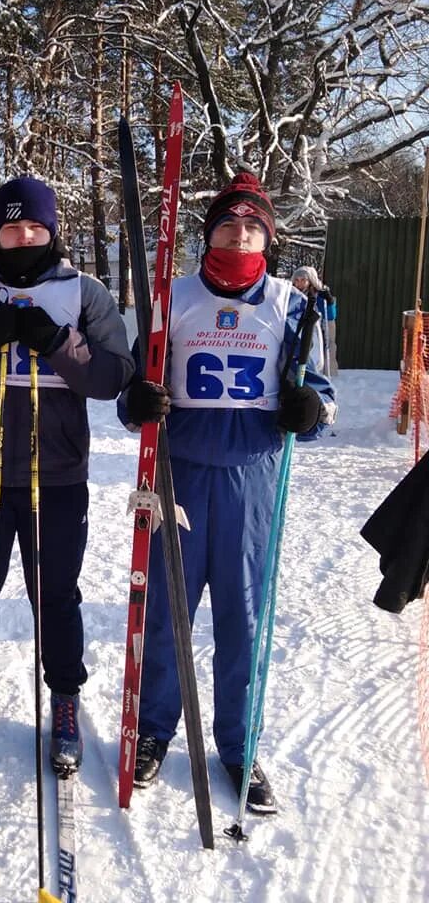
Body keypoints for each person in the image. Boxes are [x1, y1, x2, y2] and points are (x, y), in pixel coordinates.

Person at [119, 173, 336, 812]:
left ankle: (240, 745)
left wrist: (310, 410)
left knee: (243, 617)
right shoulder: (172, 298)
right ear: (208, 232)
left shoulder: (288, 306)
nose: (239, 236)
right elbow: (139, 390)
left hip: (250, 474)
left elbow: (320, 393)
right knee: (167, 611)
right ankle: (155, 731)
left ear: (266, 236)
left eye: (252, 227)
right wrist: (138, 403)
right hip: (178, 471)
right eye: (228, 225)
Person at [0, 177, 134, 772]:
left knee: (57, 596)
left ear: (51, 232)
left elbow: (113, 376)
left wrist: (55, 341)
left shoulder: (83, 292)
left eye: (35, 229)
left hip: (58, 476)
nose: (23, 238)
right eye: (12, 228)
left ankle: (64, 698)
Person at [292, 265, 337, 374]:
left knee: (326, 346)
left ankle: (327, 372)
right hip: (297, 327)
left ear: (310, 280)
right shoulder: (292, 294)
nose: (299, 283)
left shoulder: (318, 295)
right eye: (297, 280)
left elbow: (330, 316)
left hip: (316, 329)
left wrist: (330, 302)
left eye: (303, 280)